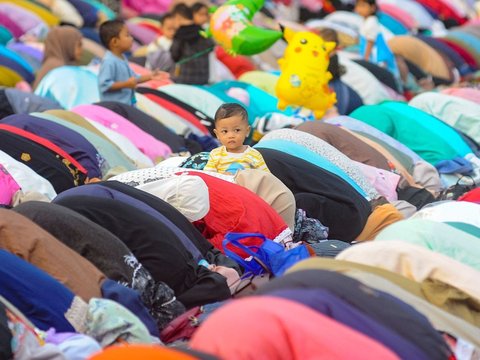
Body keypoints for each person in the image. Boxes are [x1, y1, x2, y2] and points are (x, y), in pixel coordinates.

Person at [98, 20, 167, 106]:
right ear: (114, 42)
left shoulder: (121, 58)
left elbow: (134, 78)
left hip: (127, 104)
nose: (131, 38)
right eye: (127, 35)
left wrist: (150, 76)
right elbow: (105, 85)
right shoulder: (109, 62)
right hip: (116, 107)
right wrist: (126, 84)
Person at [204, 103, 269, 175]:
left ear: (247, 131)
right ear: (217, 134)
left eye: (237, 130)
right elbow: (208, 178)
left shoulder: (254, 155)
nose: (231, 135)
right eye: (225, 131)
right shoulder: (215, 155)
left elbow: (266, 178)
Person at [170, 3, 214, 85]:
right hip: (202, 79)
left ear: (178, 17)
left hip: (184, 79)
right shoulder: (202, 31)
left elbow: (174, 55)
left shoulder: (179, 34)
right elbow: (211, 47)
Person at [354, 0, 397, 77]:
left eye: (363, 6)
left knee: (383, 76)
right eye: (358, 6)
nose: (359, 9)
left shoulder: (372, 21)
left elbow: (370, 42)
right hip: (373, 55)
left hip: (378, 56)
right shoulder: (365, 21)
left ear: (372, 8)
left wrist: (366, 59)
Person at [33, 26, 83, 90]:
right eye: (79, 45)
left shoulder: (54, 63)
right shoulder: (58, 67)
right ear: (67, 44)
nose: (81, 50)